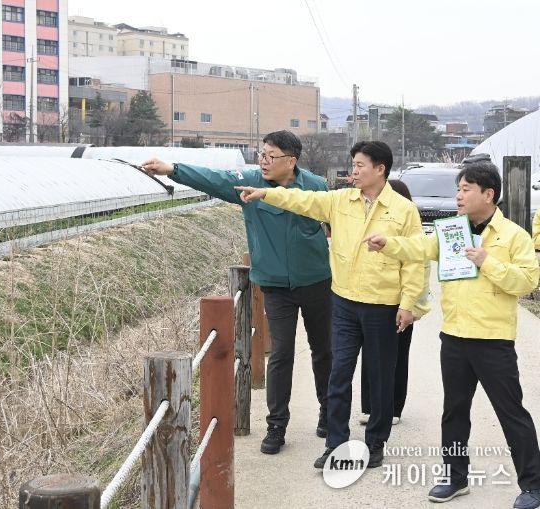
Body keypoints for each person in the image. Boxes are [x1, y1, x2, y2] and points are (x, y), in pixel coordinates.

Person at [141, 130, 332, 455]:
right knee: (281, 353)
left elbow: (336, 222)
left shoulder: (316, 185)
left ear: (291, 161)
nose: (263, 161)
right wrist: (172, 169)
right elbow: (213, 178)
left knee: (323, 350)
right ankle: (276, 426)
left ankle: (329, 412)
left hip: (316, 282)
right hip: (276, 285)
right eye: (261, 154)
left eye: (271, 156)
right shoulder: (249, 182)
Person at [236, 141, 424, 470]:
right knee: (338, 376)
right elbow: (303, 200)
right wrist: (267, 193)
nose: (354, 170)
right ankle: (335, 443)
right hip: (345, 303)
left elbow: (415, 260)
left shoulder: (404, 210)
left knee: (381, 378)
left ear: (380, 169)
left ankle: (375, 442)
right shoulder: (340, 200)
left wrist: (408, 304)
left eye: (360, 165)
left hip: (382, 304)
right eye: (354, 164)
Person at [364, 161, 540, 508]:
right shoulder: (451, 231)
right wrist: (389, 243)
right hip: (455, 337)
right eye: (458, 189)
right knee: (454, 411)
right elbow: (420, 247)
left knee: (511, 413)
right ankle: (455, 477)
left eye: (466, 189)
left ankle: (533, 485)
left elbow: (526, 282)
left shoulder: (513, 236)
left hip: (493, 340)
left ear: (488, 194)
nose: (458, 196)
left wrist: (487, 261)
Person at [358, 179, 431, 427]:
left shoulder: (411, 230)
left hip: (402, 305)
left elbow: (421, 272)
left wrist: (412, 306)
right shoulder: (373, 230)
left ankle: (394, 407)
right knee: (370, 354)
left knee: (398, 356)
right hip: (374, 301)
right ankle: (368, 406)